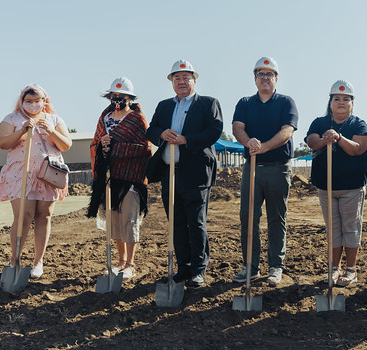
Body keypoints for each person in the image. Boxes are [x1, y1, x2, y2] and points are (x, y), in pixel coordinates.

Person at [146, 60, 224, 288]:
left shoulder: (208, 104)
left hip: (196, 173)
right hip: (170, 174)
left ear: (194, 80)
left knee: (196, 222)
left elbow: (214, 131)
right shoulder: (164, 106)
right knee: (176, 222)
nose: (181, 81)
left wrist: (186, 139)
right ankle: (184, 267)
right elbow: (151, 130)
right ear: (171, 82)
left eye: (186, 77)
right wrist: (163, 134)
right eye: (176, 78)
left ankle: (199, 269)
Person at [231, 56, 299, 285]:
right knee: (248, 218)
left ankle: (275, 266)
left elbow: (288, 131)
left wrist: (264, 147)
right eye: (261, 74)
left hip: (278, 169)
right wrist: (249, 142)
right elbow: (237, 127)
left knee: (276, 218)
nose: (265, 78)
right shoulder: (244, 103)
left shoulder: (286, 102)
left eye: (269, 75)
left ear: (276, 79)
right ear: (255, 79)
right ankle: (250, 266)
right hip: (252, 168)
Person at [0, 84, 72, 278]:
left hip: (49, 174)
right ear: (21, 101)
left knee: (44, 215)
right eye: (28, 101)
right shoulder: (12, 119)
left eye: (36, 101)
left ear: (44, 101)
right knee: (23, 216)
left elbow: (66, 144)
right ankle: (15, 261)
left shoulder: (54, 119)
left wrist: (52, 131)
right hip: (21, 175)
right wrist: (21, 131)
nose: (32, 105)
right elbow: (2, 143)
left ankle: (38, 262)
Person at [305, 80, 367, 287]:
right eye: (337, 99)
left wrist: (339, 138)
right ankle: (334, 268)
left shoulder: (359, 124)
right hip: (326, 187)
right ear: (330, 102)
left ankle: (351, 269)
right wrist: (324, 139)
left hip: (351, 187)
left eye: (346, 99)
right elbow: (311, 141)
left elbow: (357, 148)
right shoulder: (319, 122)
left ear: (352, 103)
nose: (341, 102)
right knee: (333, 229)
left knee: (351, 228)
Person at [87, 77, 152, 279]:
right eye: (114, 96)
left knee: (129, 220)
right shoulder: (104, 118)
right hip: (110, 179)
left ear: (130, 98)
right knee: (114, 221)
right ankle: (121, 261)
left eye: (122, 96)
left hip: (131, 179)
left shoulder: (137, 119)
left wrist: (115, 147)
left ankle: (130, 264)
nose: (117, 99)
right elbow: (95, 144)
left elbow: (145, 148)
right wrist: (101, 144)